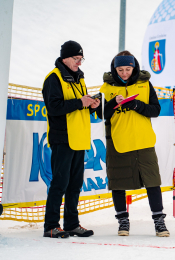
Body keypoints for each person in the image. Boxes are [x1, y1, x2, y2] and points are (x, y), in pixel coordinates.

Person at [100, 51, 170, 237]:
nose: (124, 73)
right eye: (120, 69)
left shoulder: (145, 85)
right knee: (117, 183)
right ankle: (123, 222)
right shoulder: (106, 88)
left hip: (143, 141)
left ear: (134, 67)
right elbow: (101, 114)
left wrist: (138, 105)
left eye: (128, 69)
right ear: (114, 69)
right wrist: (113, 103)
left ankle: (159, 222)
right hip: (119, 141)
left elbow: (155, 110)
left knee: (152, 181)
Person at [42, 40, 101, 238]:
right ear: (65, 58)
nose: (79, 63)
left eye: (81, 59)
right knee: (59, 183)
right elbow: (54, 108)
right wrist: (79, 102)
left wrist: (91, 105)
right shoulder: (54, 78)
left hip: (79, 138)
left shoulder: (78, 78)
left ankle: (71, 224)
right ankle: (51, 225)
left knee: (75, 184)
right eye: (76, 59)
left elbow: (78, 107)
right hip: (63, 138)